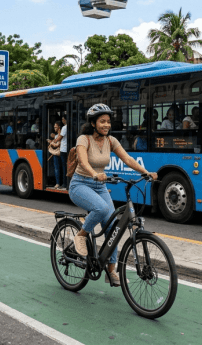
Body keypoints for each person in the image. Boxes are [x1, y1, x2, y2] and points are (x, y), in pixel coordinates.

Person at [69, 104, 157, 287]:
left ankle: (110, 271)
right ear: (93, 123)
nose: (106, 125)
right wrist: (93, 173)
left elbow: (128, 159)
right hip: (80, 184)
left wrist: (146, 172)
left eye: (108, 122)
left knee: (113, 228)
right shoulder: (83, 139)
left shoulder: (111, 141)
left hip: (100, 185)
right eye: (102, 121)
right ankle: (81, 235)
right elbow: (83, 161)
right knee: (100, 209)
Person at [51, 115, 69, 188]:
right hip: (67, 149)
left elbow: (60, 137)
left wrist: (54, 141)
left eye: (62, 119)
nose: (62, 120)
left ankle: (64, 183)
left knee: (64, 167)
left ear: (65, 119)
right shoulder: (71, 126)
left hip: (64, 150)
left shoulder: (65, 127)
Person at [47, 121, 63, 188]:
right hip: (58, 153)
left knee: (57, 168)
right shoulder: (57, 135)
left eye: (55, 127)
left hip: (58, 153)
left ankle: (58, 183)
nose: (54, 129)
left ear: (59, 127)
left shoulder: (60, 135)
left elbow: (57, 145)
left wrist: (50, 142)